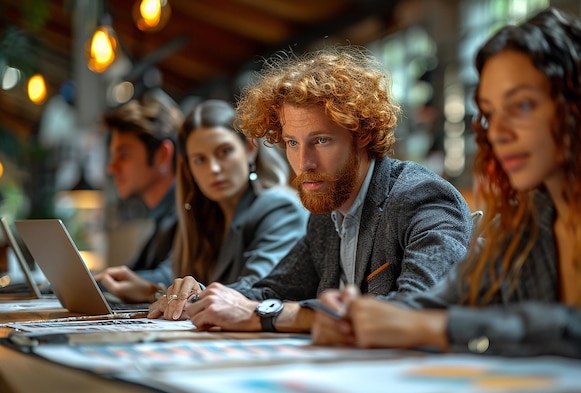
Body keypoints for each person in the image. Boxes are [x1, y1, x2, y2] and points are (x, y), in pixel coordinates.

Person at [311, 7, 581, 365]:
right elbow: (444, 302)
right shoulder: (522, 222)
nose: (498, 134)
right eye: (490, 114)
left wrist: (439, 329)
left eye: (522, 105)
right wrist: (357, 316)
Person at [148, 45, 474, 333]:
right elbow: (270, 291)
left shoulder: (422, 199)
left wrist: (270, 315)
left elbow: (420, 311)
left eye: (320, 140)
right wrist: (202, 297)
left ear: (362, 134)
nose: (304, 162)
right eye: (292, 143)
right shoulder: (327, 213)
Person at [98, 99, 309, 304]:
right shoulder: (202, 215)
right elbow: (174, 276)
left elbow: (258, 290)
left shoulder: (280, 207)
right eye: (200, 159)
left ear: (249, 148)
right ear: (189, 168)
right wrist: (152, 291)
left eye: (224, 152)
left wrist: (159, 295)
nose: (214, 169)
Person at [94, 90, 182, 302]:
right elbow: (134, 272)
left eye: (124, 155)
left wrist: (90, 283)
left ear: (162, 154)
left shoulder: (187, 211)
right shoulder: (163, 215)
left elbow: (168, 276)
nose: (111, 168)